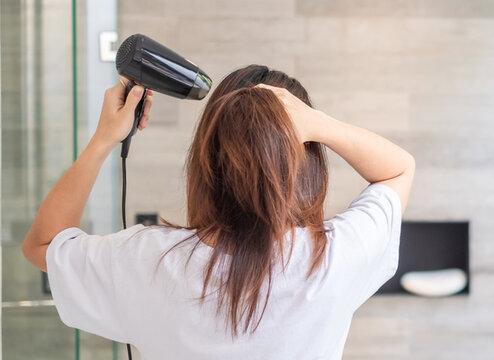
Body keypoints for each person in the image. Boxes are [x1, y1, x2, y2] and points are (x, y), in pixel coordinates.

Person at [20, 65, 415, 359]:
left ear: (206, 158)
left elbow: (42, 243)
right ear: (306, 160)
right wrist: (319, 124)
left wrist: (105, 137)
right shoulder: (334, 259)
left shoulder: (149, 261)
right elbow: (399, 169)